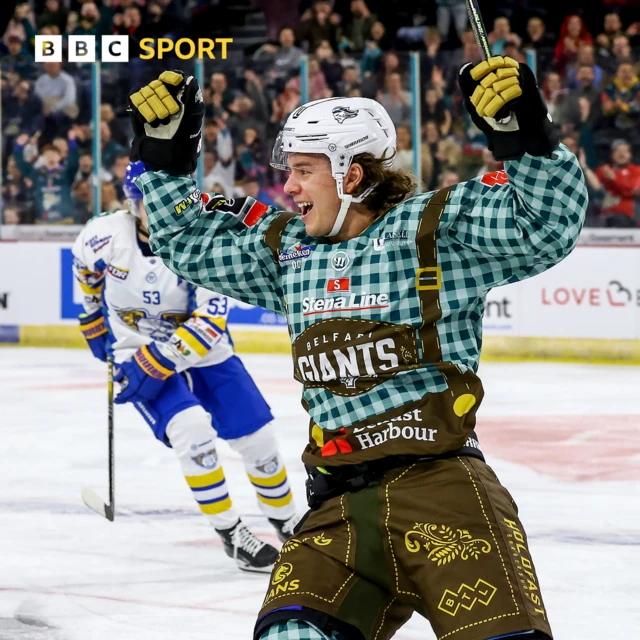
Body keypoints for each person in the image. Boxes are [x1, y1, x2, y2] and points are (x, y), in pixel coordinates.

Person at [128, 63, 587, 640]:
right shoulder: (285, 250)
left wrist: (525, 136)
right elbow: (189, 243)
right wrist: (169, 158)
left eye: (302, 170)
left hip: (444, 495)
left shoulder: (434, 229)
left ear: (351, 174)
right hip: (336, 506)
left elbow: (546, 225)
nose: (287, 187)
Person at [71, 161, 299, 572]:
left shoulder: (201, 239)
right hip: (134, 345)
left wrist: (155, 362)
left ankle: (286, 520)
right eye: (146, 203)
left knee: (260, 439)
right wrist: (91, 322)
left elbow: (210, 321)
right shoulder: (102, 236)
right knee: (190, 430)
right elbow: (86, 274)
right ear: (131, 203)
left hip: (202, 351)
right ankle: (231, 532)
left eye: (166, 202)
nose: (155, 212)